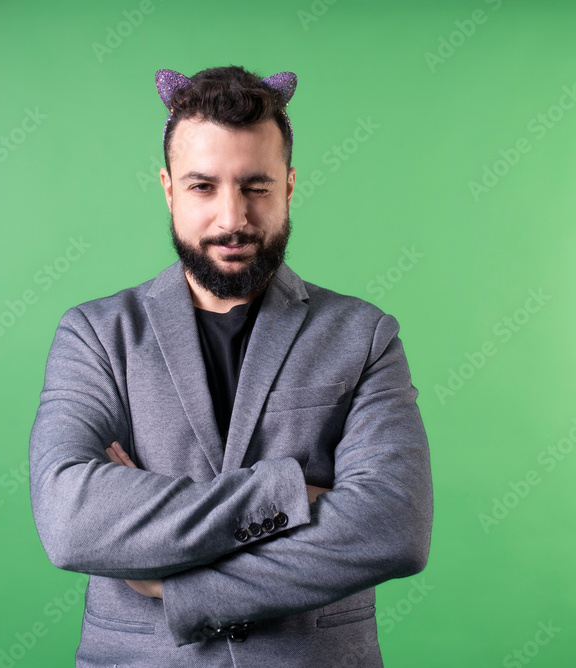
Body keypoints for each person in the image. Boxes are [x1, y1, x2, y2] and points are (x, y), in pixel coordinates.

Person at [28, 65, 433, 667]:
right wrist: (288, 491)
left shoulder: (364, 336)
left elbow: (392, 526)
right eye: (202, 187)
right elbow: (71, 520)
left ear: (289, 186)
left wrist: (177, 582)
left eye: (256, 186)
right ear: (168, 188)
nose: (231, 218)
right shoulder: (95, 335)